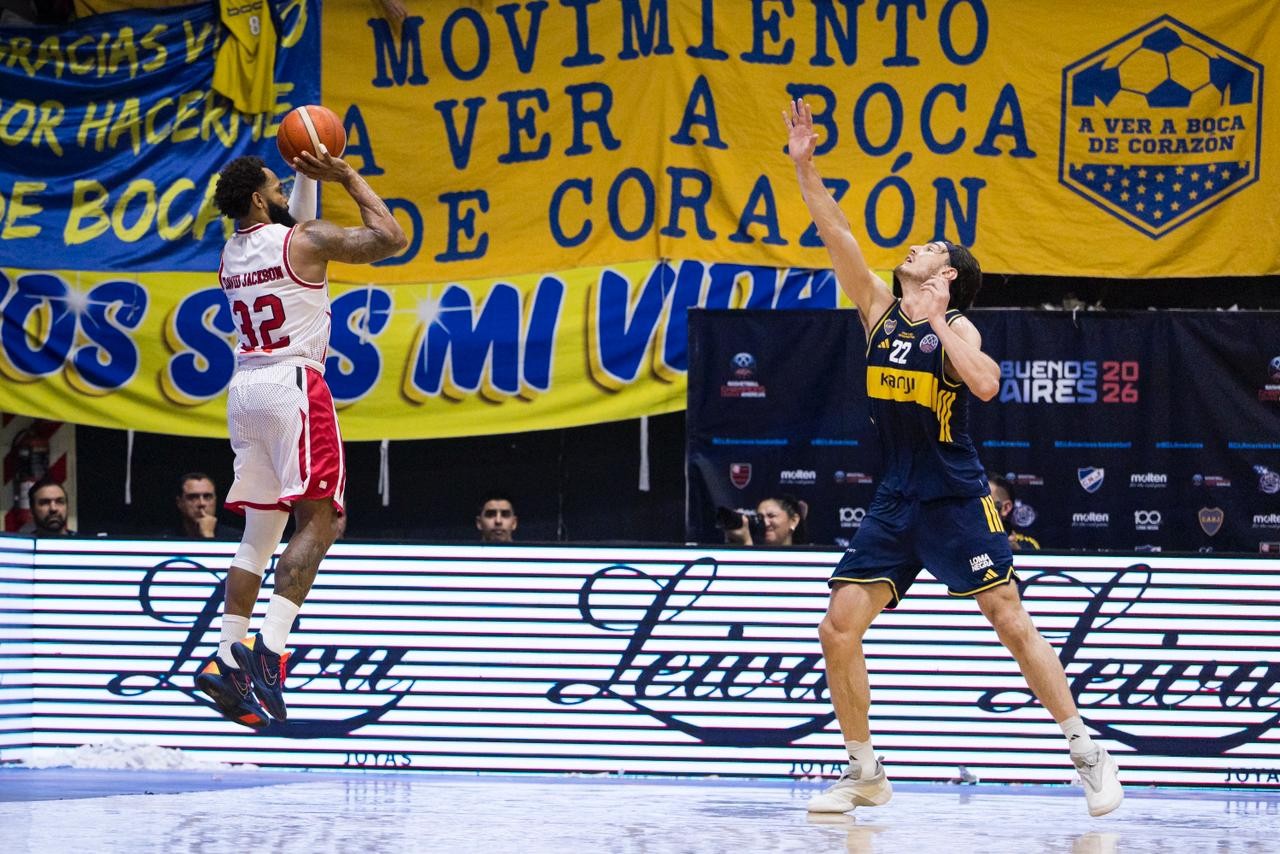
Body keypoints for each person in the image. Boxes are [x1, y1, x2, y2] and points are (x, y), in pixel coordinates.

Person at [784, 98, 1122, 817]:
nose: (917, 248)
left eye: (932, 248)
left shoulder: (957, 325)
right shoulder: (876, 308)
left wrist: (941, 323)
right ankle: (865, 769)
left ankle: (1087, 750)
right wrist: (805, 167)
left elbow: (989, 383)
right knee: (837, 626)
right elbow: (834, 229)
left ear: (948, 275)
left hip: (953, 494)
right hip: (895, 497)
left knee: (1009, 617)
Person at [194, 144, 406, 730]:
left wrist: (299, 177)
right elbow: (390, 238)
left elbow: (292, 221)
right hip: (294, 384)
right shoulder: (304, 242)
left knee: (257, 538)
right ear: (261, 198)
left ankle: (223, 657)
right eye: (279, 188)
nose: (287, 195)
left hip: (245, 391)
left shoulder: (230, 255)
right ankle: (270, 650)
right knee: (324, 521)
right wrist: (343, 173)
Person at [173, 472, 242, 540]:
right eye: (193, 497)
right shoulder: (166, 540)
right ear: (179, 502)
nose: (202, 503)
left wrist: (208, 534)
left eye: (207, 497)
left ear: (215, 500)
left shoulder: (236, 539)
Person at [721, 494, 808, 546]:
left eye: (771, 516)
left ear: (793, 520)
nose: (765, 523)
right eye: (760, 517)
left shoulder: (807, 557)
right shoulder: (754, 551)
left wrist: (746, 542)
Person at [988, 473, 1041, 551]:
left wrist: (1015, 553)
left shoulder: (1026, 545)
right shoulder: (965, 539)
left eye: (985, 502)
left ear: (1005, 508)